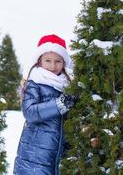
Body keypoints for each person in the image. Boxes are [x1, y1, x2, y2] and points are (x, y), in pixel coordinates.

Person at [13, 34, 78, 175]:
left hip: (59, 153)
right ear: (39, 61)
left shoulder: (68, 86)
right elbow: (29, 112)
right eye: (48, 60)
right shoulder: (34, 82)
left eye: (58, 61)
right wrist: (59, 104)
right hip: (35, 156)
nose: (53, 66)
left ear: (64, 63)